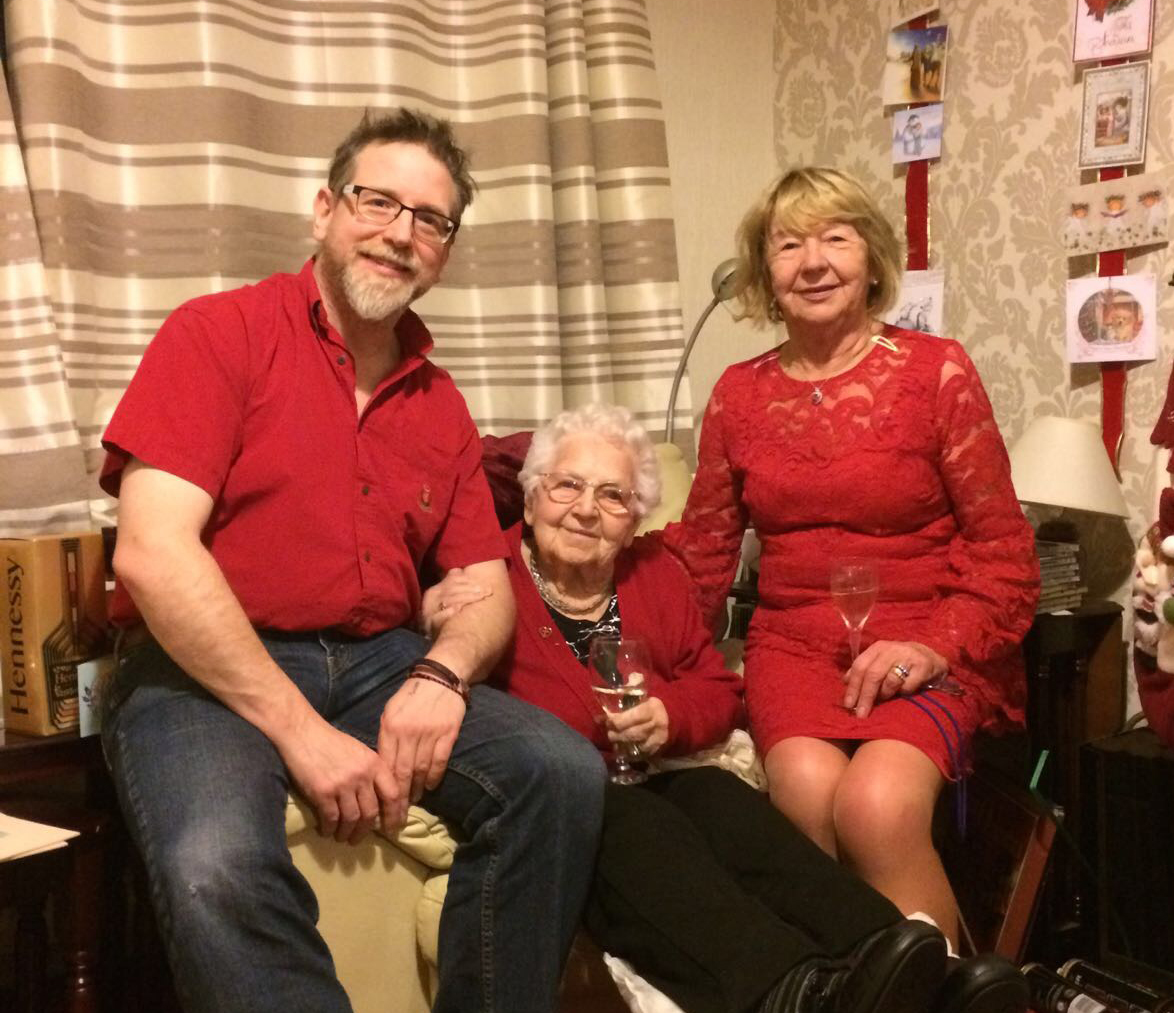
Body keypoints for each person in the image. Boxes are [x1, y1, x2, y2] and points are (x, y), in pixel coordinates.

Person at [97, 108, 606, 1013]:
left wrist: (444, 674)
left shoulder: (439, 401)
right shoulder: (219, 333)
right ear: (326, 210)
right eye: (379, 202)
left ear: (445, 251)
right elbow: (152, 552)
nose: (400, 233)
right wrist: (302, 733)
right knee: (215, 859)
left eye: (430, 220)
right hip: (201, 667)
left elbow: (484, 584)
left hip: (378, 659)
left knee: (559, 773)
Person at [427, 404, 1031, 1013]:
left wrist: (670, 714)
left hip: (653, 769)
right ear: (531, 501)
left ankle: (910, 965)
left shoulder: (653, 575)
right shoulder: (485, 583)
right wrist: (431, 614)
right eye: (567, 486)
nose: (587, 509)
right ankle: (792, 991)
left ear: (633, 521)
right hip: (572, 796)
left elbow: (718, 691)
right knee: (630, 817)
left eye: (613, 496)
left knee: (718, 796)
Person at [660, 167, 1040, 950]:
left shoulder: (937, 371)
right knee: (806, 796)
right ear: (765, 271)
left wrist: (932, 647)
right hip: (794, 649)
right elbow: (702, 553)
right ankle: (862, 991)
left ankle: (956, 999)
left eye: (835, 238)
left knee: (876, 807)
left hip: (922, 640)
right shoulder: (737, 395)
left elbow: (1003, 551)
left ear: (871, 258)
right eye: (788, 244)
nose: (813, 262)